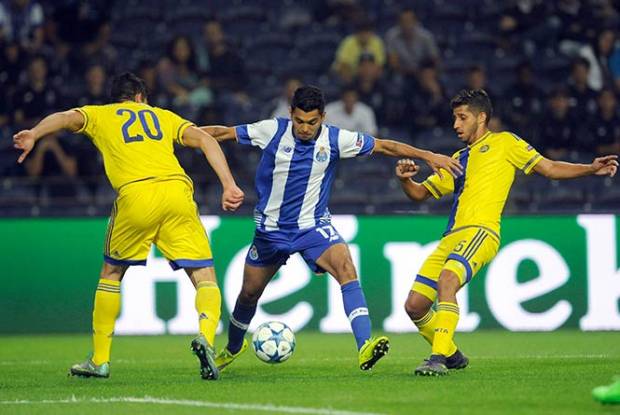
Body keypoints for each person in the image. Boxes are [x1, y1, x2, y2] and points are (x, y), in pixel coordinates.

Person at [201, 85, 462, 373]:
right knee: (249, 294)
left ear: (322, 117)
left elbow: (385, 146)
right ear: (291, 114)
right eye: (299, 121)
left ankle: (365, 347)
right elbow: (221, 132)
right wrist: (179, 133)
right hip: (270, 231)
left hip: (313, 227)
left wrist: (429, 156)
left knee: (346, 267)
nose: (304, 128)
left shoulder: (336, 139)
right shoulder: (272, 130)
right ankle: (233, 348)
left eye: (312, 122)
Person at [12, 72, 245, 380]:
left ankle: (100, 359)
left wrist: (34, 133)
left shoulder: (100, 114)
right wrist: (228, 184)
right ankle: (206, 337)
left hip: (137, 195)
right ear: (139, 97)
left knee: (112, 272)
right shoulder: (162, 116)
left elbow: (66, 117)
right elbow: (204, 138)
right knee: (204, 275)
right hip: (177, 193)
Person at [394, 89, 617, 376]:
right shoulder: (457, 158)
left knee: (447, 281)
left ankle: (437, 357)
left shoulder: (505, 143)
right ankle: (452, 354)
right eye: (454, 118)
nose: (456, 125)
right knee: (415, 305)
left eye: (462, 117)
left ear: (482, 117)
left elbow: (548, 168)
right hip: (451, 237)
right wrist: (405, 180)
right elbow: (421, 193)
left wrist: (588, 168)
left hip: (481, 232)